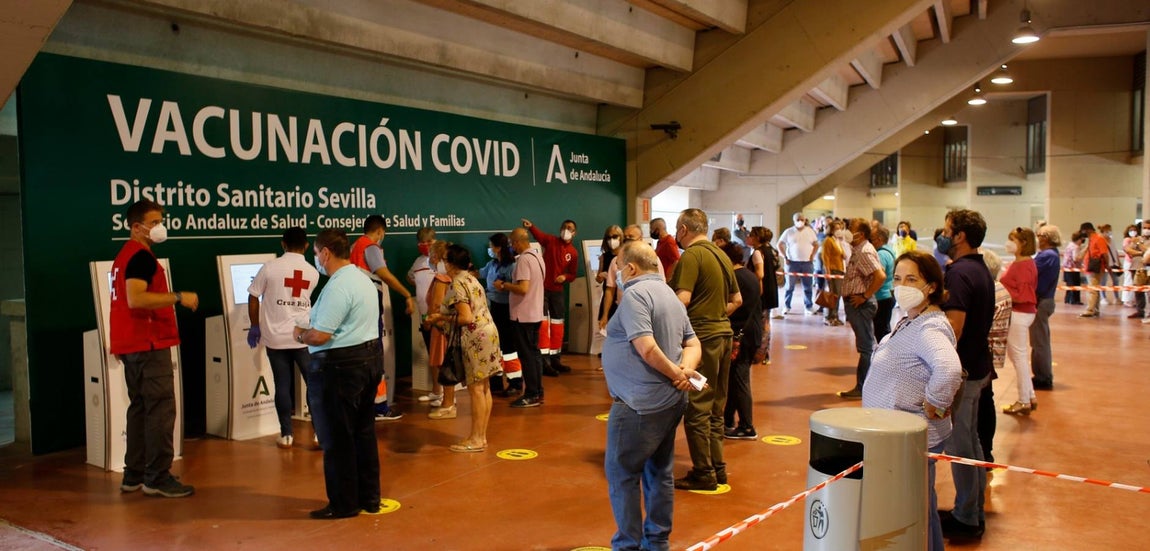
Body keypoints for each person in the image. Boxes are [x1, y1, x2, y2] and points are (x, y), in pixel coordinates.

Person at [602, 241, 701, 551]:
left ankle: (627, 545)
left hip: (639, 404)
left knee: (622, 474)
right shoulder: (669, 295)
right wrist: (685, 370)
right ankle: (657, 542)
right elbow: (692, 343)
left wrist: (677, 374)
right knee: (660, 471)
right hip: (669, 402)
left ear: (631, 268)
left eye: (618, 267)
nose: (617, 274)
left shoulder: (635, 296)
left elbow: (646, 348)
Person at [862, 250, 962, 551]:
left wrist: (936, 402)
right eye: (897, 278)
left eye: (911, 279)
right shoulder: (911, 319)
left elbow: (949, 368)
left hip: (911, 438)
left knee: (915, 511)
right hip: (895, 433)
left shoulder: (929, 327)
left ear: (931, 287)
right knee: (921, 506)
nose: (901, 286)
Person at [110, 199, 198, 498]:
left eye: (161, 221)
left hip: (131, 343)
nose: (160, 227)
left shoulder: (124, 256)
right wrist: (179, 297)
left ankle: (134, 474)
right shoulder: (141, 258)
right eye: (154, 222)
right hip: (148, 343)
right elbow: (136, 299)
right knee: (160, 410)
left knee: (140, 408)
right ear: (137, 227)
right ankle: (158, 477)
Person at [293, 229, 382, 519]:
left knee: (336, 438)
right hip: (369, 360)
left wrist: (300, 334)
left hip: (339, 369)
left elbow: (320, 335)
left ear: (326, 253)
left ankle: (343, 503)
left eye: (315, 253)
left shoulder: (338, 286)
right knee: (363, 433)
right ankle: (369, 497)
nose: (316, 259)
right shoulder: (363, 278)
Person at [668, 208, 741, 491]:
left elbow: (682, 300)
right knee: (716, 407)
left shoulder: (692, 256)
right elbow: (737, 299)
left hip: (703, 341)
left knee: (697, 406)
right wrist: (716, 316)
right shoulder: (722, 255)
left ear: (684, 229)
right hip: (723, 337)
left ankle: (703, 472)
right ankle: (717, 467)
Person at [936, 209, 995, 540]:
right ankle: (972, 509)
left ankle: (966, 517)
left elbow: (954, 328)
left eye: (947, 231)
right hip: (978, 366)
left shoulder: (959, 273)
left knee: (959, 445)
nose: (943, 236)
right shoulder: (979, 269)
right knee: (971, 442)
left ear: (959, 236)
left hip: (964, 371)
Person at [247, 227, 320, 450]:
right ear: (306, 246)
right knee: (314, 385)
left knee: (282, 384)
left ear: (283, 244)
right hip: (303, 337)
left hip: (275, 338)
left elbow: (253, 296)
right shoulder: (313, 272)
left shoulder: (270, 267)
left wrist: (254, 325)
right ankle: (319, 433)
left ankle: (286, 435)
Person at [425, 245, 501, 452]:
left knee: (476, 390)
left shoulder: (457, 282)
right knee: (484, 388)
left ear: (450, 263)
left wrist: (440, 317)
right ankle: (481, 436)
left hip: (475, 338)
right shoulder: (471, 278)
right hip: (489, 333)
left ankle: (476, 438)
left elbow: (466, 317)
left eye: (444, 260)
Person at [350, 214, 414, 420]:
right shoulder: (371, 247)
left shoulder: (354, 247)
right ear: (380, 231)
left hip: (356, 307)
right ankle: (379, 407)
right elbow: (384, 274)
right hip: (368, 307)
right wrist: (406, 294)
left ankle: (363, 405)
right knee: (374, 357)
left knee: (360, 355)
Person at [496, 228, 547, 408]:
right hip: (534, 313)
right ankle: (538, 390)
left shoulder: (524, 260)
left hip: (523, 316)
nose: (511, 247)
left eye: (512, 243)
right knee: (534, 354)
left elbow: (523, 288)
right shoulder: (537, 256)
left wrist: (504, 285)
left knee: (527, 356)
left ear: (517, 242)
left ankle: (532, 394)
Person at [836, 218, 886, 399]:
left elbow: (880, 276)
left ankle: (863, 387)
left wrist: (864, 296)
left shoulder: (864, 251)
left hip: (861, 305)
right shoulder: (858, 249)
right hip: (857, 304)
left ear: (861, 234)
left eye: (851, 229)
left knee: (866, 348)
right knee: (868, 345)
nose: (847, 232)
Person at [524, 218, 579, 375]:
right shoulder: (551, 241)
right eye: (564, 227)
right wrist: (531, 226)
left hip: (558, 292)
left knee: (557, 325)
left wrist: (565, 277)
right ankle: (544, 362)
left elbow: (573, 274)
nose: (566, 230)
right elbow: (539, 236)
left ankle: (556, 360)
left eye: (570, 228)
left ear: (574, 233)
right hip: (542, 290)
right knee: (543, 325)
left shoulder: (573, 253)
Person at [720, 242, 762, 440]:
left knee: (739, 379)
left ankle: (747, 426)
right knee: (735, 379)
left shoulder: (734, 278)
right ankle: (728, 420)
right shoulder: (749, 276)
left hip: (741, 335)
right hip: (751, 333)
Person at [1001, 227, 1039, 415]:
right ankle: (1029, 395)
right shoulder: (1023, 263)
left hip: (1019, 313)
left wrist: (1002, 292)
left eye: (1012, 239)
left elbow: (1023, 295)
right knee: (1019, 357)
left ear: (1023, 243)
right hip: (1022, 313)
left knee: (1019, 358)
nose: (1009, 243)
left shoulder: (1022, 266)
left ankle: (1024, 400)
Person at [979, 249, 1011, 465]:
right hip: (990, 351)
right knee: (985, 399)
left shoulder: (989, 291)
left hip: (985, 351)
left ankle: (983, 449)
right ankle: (985, 448)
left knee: (982, 401)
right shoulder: (1000, 289)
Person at [481, 233, 523, 396]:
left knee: (508, 347)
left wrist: (503, 286)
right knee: (494, 346)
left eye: (491, 246)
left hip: (505, 308)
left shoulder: (511, 266)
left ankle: (515, 382)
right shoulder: (492, 264)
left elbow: (517, 287)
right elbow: (481, 273)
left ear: (498, 248)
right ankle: (496, 382)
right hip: (492, 307)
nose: (490, 249)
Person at [408, 227, 445, 405]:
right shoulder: (418, 262)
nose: (425, 246)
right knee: (433, 356)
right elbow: (410, 277)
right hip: (424, 316)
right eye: (421, 243)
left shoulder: (443, 262)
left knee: (442, 357)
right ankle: (437, 391)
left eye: (428, 242)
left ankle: (447, 396)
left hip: (440, 317)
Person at [424, 241, 457, 419]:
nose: (431, 258)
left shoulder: (441, 279)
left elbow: (436, 306)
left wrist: (429, 322)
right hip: (448, 327)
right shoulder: (453, 278)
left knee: (443, 364)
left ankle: (448, 404)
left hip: (440, 328)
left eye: (433, 255)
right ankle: (447, 400)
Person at [1031, 225, 1062, 390]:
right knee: (1039, 340)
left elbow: (1031, 272)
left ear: (1047, 238)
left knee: (1040, 342)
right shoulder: (1051, 255)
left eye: (1040, 235)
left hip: (1041, 301)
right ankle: (1041, 374)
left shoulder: (1047, 256)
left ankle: (1043, 376)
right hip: (1044, 300)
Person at [745, 226, 779, 362]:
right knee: (765, 323)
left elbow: (760, 274)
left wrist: (748, 279)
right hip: (771, 290)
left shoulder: (757, 253)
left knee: (761, 324)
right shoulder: (771, 250)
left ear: (757, 238)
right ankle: (764, 352)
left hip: (761, 293)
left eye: (750, 235)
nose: (748, 238)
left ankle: (760, 353)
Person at [778, 212, 819, 315]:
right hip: (792, 263)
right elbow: (779, 244)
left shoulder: (810, 231)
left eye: (802, 219)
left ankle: (808, 306)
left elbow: (816, 244)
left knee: (808, 287)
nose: (800, 221)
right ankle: (786, 306)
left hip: (807, 263)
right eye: (798, 219)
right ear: (794, 221)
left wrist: (812, 255)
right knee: (789, 287)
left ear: (805, 220)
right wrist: (784, 257)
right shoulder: (788, 231)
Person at [1079, 222, 1110, 318]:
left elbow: (1104, 253)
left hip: (1095, 267)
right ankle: (1095, 309)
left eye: (1083, 231)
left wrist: (1107, 265)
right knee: (1095, 288)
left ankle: (1090, 310)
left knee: (1092, 289)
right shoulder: (1091, 239)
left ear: (1088, 230)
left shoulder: (1099, 239)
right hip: (1090, 267)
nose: (1082, 233)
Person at [596, 225, 624, 332]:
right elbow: (599, 279)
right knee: (606, 330)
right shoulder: (604, 257)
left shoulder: (626, 255)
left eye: (615, 236)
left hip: (622, 297)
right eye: (609, 237)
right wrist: (601, 276)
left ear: (621, 237)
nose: (611, 240)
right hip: (608, 297)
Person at [819, 219, 846, 326]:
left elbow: (842, 254)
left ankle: (835, 316)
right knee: (832, 295)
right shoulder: (828, 241)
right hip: (833, 270)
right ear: (831, 230)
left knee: (837, 295)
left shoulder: (837, 241)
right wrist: (828, 272)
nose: (839, 230)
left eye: (840, 228)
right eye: (836, 228)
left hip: (840, 270)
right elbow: (825, 257)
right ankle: (829, 317)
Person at [872, 226, 897, 342]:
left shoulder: (881, 254)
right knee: (884, 328)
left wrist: (868, 293)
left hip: (882, 297)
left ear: (879, 239)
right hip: (888, 294)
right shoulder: (889, 251)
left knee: (880, 331)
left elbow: (880, 276)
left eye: (872, 238)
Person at [1122, 221, 1149, 320]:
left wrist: (1138, 244)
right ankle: (1140, 311)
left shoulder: (1138, 240)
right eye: (1144, 228)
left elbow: (1148, 250)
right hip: (1136, 267)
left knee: (1149, 291)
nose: (1146, 230)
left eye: (1148, 228)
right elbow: (1128, 250)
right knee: (1137, 291)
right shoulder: (1138, 238)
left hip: (1147, 268)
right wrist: (1141, 253)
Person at [1062, 231, 1084, 305]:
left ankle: (1068, 299)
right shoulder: (1076, 247)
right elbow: (1075, 258)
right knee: (1075, 284)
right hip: (1073, 269)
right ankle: (1074, 300)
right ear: (1079, 239)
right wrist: (1082, 256)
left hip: (1067, 268)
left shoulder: (1069, 245)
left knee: (1069, 285)